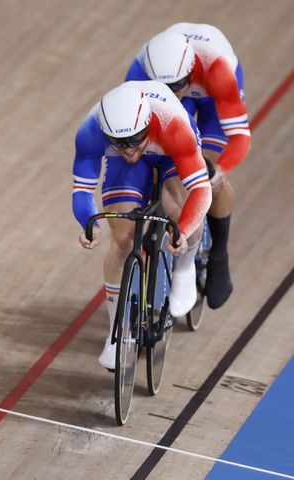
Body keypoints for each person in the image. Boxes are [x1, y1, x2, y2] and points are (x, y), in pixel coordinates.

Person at [73, 81, 212, 369]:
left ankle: (185, 268)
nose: (128, 148)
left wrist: (183, 230)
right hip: (133, 166)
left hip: (171, 153)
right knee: (122, 239)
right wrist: (90, 224)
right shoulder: (91, 132)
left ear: (147, 124)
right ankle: (117, 333)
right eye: (120, 142)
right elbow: (82, 191)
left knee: (178, 210)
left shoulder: (175, 126)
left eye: (135, 139)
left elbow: (202, 192)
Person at [125, 23, 250, 309]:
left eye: (176, 86)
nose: (169, 93)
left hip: (207, 103)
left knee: (207, 174)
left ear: (190, 72)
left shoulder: (216, 71)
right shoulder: (140, 71)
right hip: (163, 108)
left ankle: (218, 254)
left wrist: (220, 171)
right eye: (161, 87)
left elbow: (240, 137)